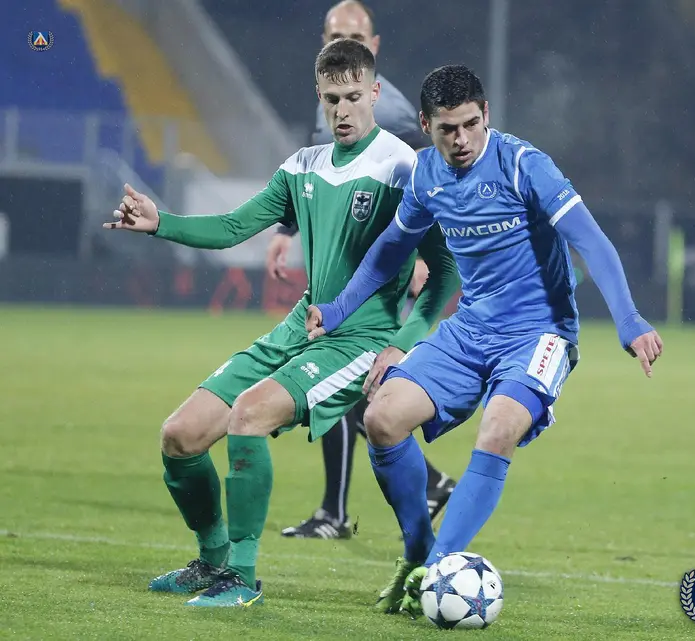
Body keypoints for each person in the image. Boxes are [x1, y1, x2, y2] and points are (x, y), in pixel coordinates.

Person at [102, 39, 458, 608]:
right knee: (180, 436)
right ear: (319, 97)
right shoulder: (302, 166)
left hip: (360, 341)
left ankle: (242, 579)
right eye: (331, 99)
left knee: (249, 414)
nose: (342, 111)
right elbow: (231, 228)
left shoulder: (403, 168)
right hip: (302, 325)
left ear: (374, 93)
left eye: (353, 97)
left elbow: (442, 273)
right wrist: (159, 222)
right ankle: (212, 558)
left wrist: (401, 345)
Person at [305, 64, 664, 615]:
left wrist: (629, 319)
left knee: (497, 430)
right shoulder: (425, 175)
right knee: (381, 418)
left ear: (486, 115)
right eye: (447, 129)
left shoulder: (524, 165)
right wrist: (337, 309)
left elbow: (592, 242)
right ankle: (418, 553)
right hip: (470, 330)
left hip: (539, 335)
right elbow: (389, 251)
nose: (462, 139)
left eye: (471, 124)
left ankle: (434, 571)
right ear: (426, 124)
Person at [269, 0, 456, 541]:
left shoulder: (390, 112)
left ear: (373, 47)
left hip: (379, 274)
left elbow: (423, 185)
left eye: (353, 36)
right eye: (334, 35)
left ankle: (340, 511)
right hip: (344, 271)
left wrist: (423, 257)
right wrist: (288, 230)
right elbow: (326, 173)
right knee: (351, 386)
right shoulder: (333, 97)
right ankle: (425, 484)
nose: (342, 43)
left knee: (341, 381)